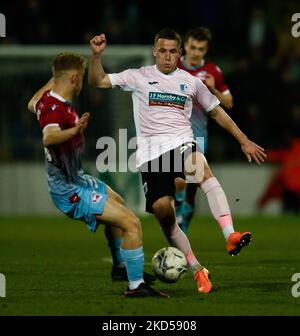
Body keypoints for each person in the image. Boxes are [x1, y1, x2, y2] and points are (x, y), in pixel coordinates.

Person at [88, 29, 266, 293]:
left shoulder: (191, 82)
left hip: (181, 142)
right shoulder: (139, 76)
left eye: (173, 51)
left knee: (200, 169)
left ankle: (230, 234)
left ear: (179, 53)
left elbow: (217, 112)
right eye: (163, 51)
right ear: (154, 51)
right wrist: (95, 56)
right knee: (164, 214)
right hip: (150, 156)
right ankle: (197, 270)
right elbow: (99, 80)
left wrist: (243, 140)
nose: (168, 56)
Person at [27, 52, 166, 298]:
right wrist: (75, 130)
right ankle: (135, 287)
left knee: (118, 203)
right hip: (68, 190)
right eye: (80, 77)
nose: (82, 83)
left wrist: (56, 75)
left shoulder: (45, 101)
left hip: (77, 178)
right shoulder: (55, 109)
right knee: (131, 222)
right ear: (73, 78)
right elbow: (48, 137)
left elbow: (32, 103)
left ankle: (120, 266)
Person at [175, 26, 234, 237]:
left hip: (198, 136)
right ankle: (178, 209)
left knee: (191, 189)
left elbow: (229, 102)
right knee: (180, 181)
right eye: (192, 47)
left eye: (200, 49)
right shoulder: (173, 68)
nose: (195, 52)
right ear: (185, 46)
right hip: (173, 134)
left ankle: (183, 225)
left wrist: (214, 90)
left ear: (205, 50)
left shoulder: (212, 72)